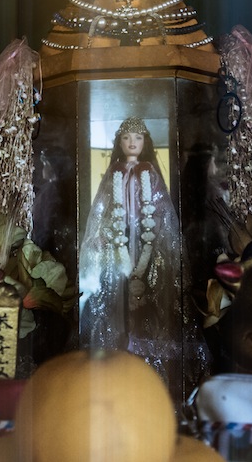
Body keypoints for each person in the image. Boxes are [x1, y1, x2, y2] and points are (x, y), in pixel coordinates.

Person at [79, 117, 184, 361]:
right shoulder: (113, 173)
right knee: (116, 288)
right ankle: (117, 342)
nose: (132, 142)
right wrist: (103, 231)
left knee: (150, 284)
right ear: (120, 143)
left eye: (138, 138)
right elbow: (102, 206)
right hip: (120, 238)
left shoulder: (149, 171)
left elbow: (160, 204)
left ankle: (143, 343)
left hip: (146, 237)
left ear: (145, 142)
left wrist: (156, 225)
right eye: (126, 138)